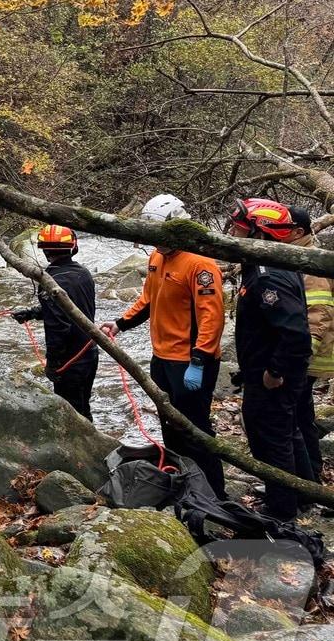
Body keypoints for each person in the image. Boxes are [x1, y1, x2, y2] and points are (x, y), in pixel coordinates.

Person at [100, 193, 227, 497]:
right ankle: (185, 483)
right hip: (162, 357)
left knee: (195, 429)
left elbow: (213, 316)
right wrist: (121, 322)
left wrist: (199, 360)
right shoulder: (157, 257)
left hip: (191, 361)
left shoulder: (200, 265)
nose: (156, 240)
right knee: (170, 425)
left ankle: (215, 493)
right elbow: (148, 298)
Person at [227, 198, 314, 520]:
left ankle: (282, 510)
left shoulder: (268, 276)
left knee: (271, 438)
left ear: (259, 232)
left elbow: (296, 335)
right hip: (267, 370)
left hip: (273, 376)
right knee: (287, 431)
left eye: (238, 228)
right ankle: (304, 492)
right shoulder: (263, 265)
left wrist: (274, 371)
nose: (233, 234)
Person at [12, 225, 98, 420]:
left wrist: (53, 364)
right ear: (72, 247)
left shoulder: (51, 280)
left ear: (45, 251)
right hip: (90, 352)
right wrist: (31, 313)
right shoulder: (84, 274)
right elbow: (70, 309)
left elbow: (58, 326)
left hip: (70, 360)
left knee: (71, 415)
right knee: (83, 407)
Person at [294, 207, 333, 481]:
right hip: (306, 355)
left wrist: (303, 354)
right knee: (302, 412)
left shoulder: (309, 264)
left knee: (299, 416)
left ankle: (311, 474)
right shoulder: (299, 257)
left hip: (309, 357)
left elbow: (319, 314)